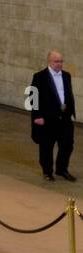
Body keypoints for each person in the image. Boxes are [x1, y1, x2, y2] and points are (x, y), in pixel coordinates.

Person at [30, 50, 75, 181]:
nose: (59, 64)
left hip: (65, 118)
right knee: (46, 147)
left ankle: (61, 169)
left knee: (67, 145)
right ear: (49, 61)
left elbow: (68, 95)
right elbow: (33, 98)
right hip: (47, 119)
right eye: (56, 61)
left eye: (61, 61)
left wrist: (71, 112)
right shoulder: (39, 76)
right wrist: (37, 116)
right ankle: (47, 171)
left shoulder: (67, 75)